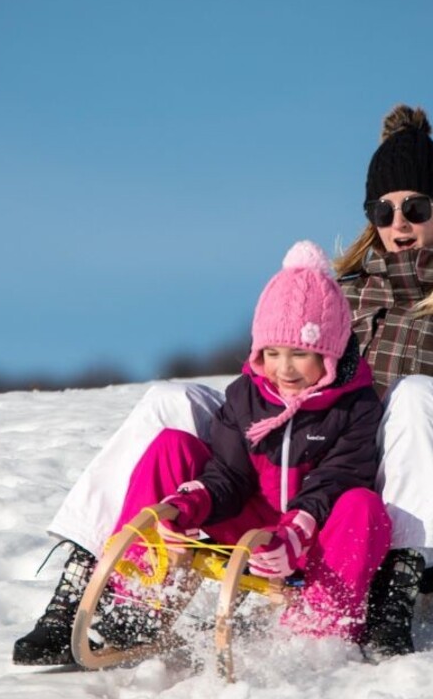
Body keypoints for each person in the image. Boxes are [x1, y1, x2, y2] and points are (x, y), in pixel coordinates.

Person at [12, 104, 433, 665]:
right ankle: (90, 579)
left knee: (416, 395)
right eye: (382, 210)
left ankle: (397, 585)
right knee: (170, 400)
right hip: (305, 479)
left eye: (414, 208)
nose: (399, 224)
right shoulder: (338, 294)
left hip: (386, 507)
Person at [96, 240, 390, 646]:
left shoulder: (355, 406)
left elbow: (337, 479)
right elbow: (228, 474)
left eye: (300, 353)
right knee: (171, 445)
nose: (283, 368)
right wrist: (189, 502)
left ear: (331, 354)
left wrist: (293, 536)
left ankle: (321, 628)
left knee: (362, 505)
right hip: (251, 527)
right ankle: (138, 596)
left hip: (312, 541)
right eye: (271, 352)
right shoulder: (245, 397)